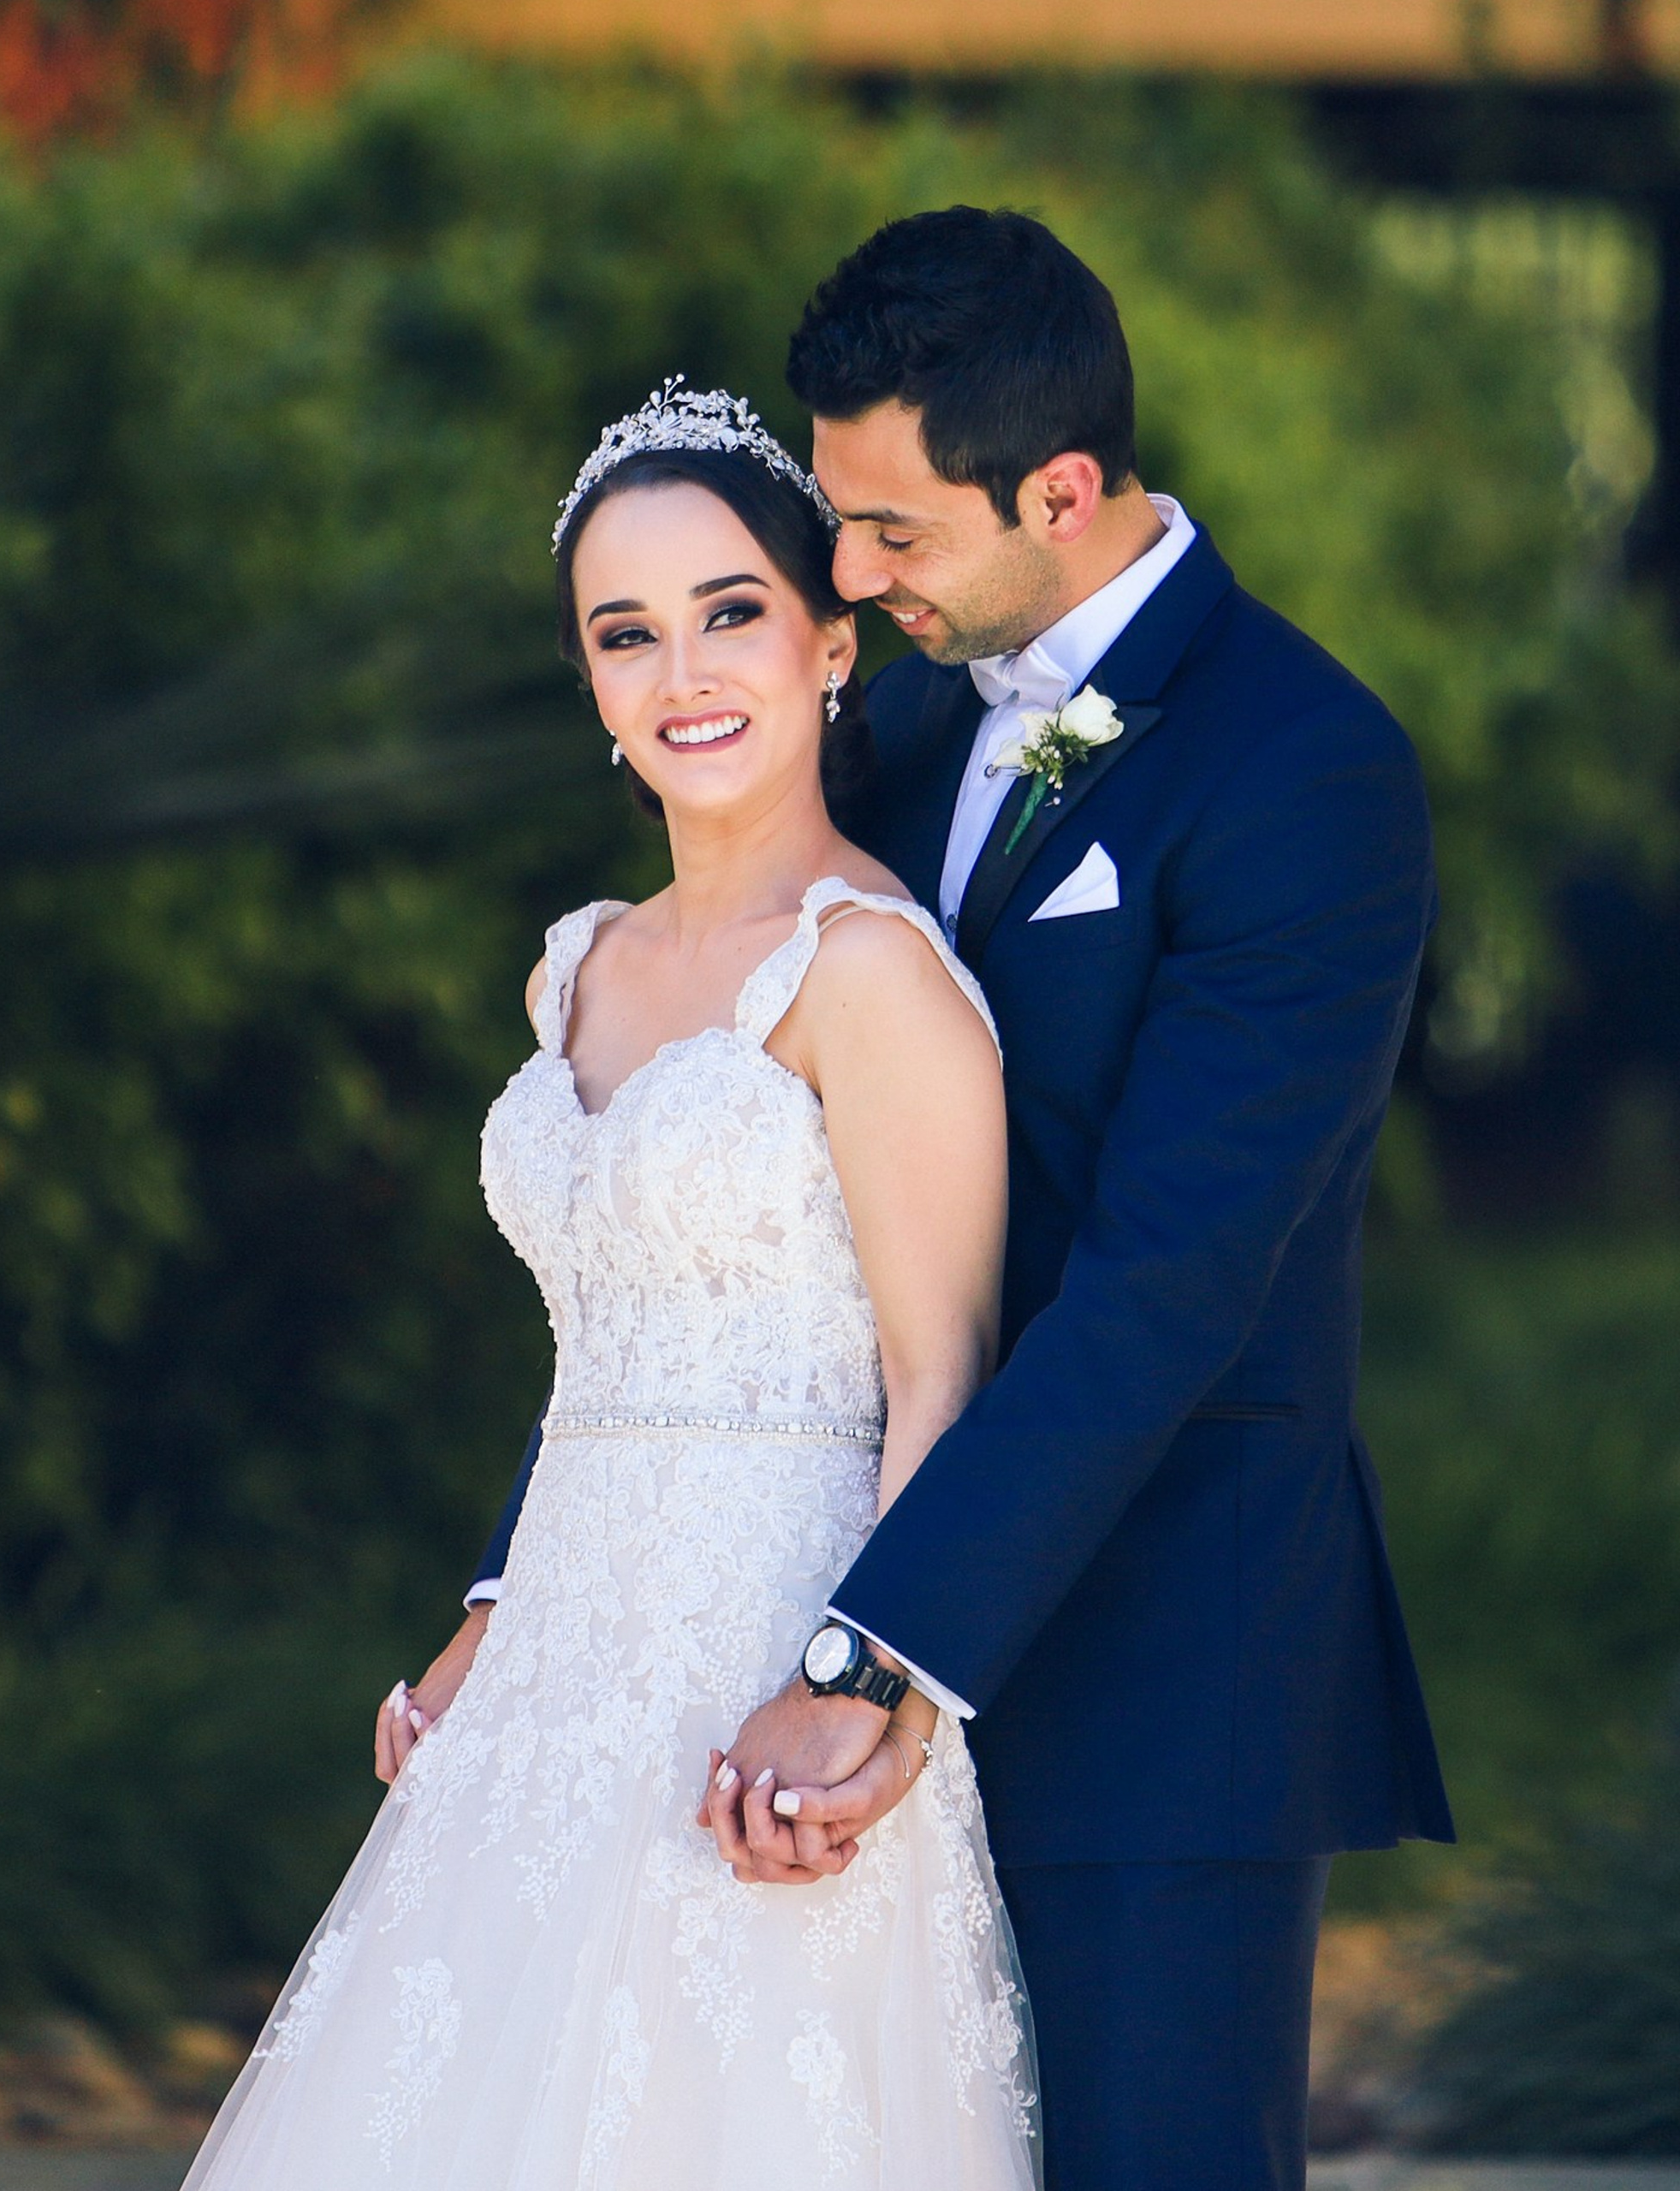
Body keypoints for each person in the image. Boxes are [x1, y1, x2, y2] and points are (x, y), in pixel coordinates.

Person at [448, 209, 1452, 2191]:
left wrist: (877, 1656)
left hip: (1153, 1652)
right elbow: (695, 1230)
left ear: (1058, 492)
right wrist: (538, 1598)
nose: (844, 574)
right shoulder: (887, 717)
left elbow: (1172, 1278)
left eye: (891, 531)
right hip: (793, 1612)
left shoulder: (1302, 772)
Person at [183, 383, 1039, 2191]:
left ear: (824, 642)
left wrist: (857, 1689)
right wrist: (490, 1630)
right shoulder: (576, 967)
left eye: (729, 610)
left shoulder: (868, 973)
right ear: (587, 682)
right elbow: (603, 1361)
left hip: (765, 1671)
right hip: (554, 1686)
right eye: (623, 633)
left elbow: (943, 1389)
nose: (683, 672)